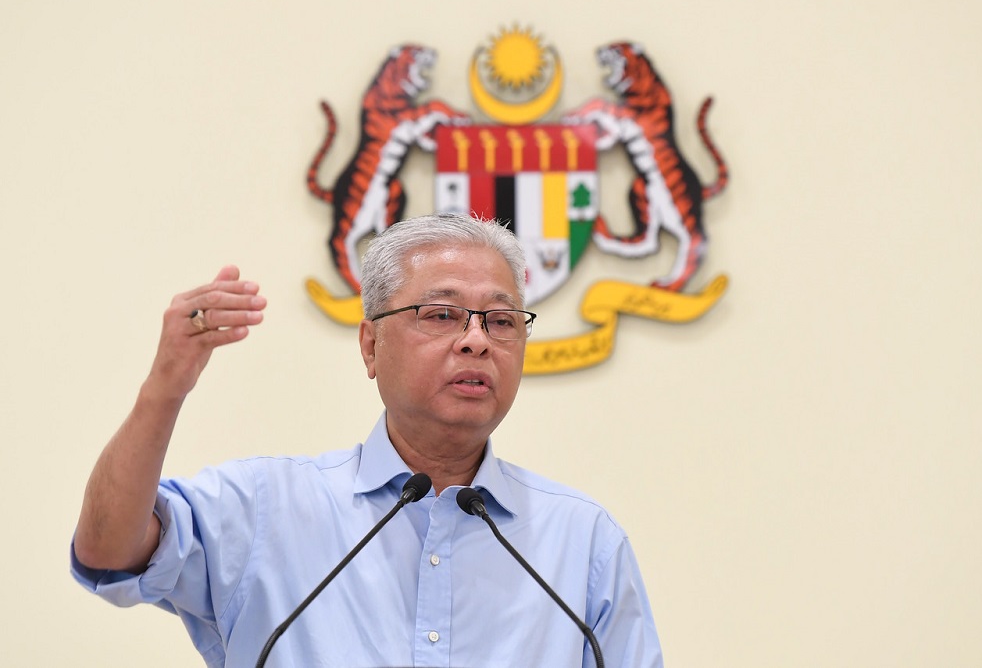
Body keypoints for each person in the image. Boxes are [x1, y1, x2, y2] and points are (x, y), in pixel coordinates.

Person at [71, 213, 664, 667]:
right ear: (370, 345)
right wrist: (163, 390)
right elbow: (107, 551)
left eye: (501, 321)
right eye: (441, 314)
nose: (476, 341)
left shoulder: (584, 542)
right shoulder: (263, 510)